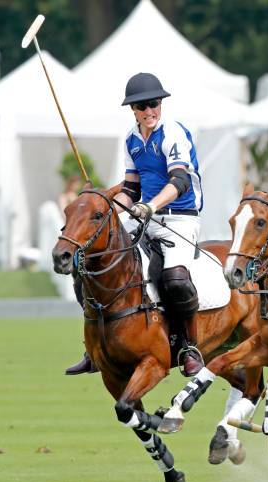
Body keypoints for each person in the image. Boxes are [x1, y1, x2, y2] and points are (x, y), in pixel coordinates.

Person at [65, 72, 204, 377]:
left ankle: (190, 346)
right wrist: (107, 204)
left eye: (153, 104)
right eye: (142, 106)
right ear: (133, 109)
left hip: (180, 218)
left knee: (175, 278)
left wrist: (151, 205)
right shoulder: (131, 138)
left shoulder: (173, 134)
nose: (149, 111)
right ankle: (94, 347)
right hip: (144, 215)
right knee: (88, 263)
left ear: (161, 104)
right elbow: (131, 188)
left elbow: (179, 181)